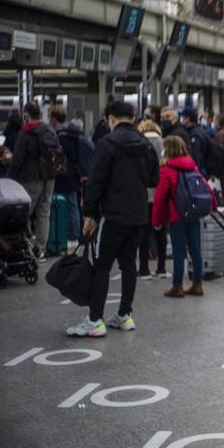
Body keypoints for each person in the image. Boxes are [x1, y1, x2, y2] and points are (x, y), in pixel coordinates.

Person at [69, 101, 159, 337]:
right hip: (139, 214)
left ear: (111, 119)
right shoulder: (146, 144)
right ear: (133, 118)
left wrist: (90, 213)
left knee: (102, 266)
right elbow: (154, 179)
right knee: (129, 265)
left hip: (113, 215)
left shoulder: (106, 144)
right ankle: (124, 315)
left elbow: (96, 181)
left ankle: (95, 320)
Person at [152, 136, 215, 298]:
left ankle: (177, 286)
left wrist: (156, 220)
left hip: (176, 215)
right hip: (193, 212)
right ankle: (197, 283)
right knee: (194, 247)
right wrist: (213, 205)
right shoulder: (191, 166)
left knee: (179, 250)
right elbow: (206, 186)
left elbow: (159, 197)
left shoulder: (166, 169)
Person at [8, 102, 59, 260]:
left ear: (26, 115)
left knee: (24, 213)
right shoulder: (50, 130)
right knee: (44, 213)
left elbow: (17, 159)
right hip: (50, 176)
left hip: (31, 177)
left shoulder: (25, 132)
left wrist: (9, 179)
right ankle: (41, 250)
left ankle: (25, 248)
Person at [50, 106, 89, 251]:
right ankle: (73, 235)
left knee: (71, 206)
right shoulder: (72, 132)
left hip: (65, 175)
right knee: (73, 206)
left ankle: (72, 236)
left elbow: (61, 156)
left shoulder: (62, 135)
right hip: (74, 174)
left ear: (54, 118)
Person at [137, 119, 168, 281]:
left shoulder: (139, 144)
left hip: (143, 193)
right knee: (161, 230)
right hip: (161, 192)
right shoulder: (164, 144)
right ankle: (161, 267)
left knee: (144, 231)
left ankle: (144, 268)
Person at [180, 107, 209, 176]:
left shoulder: (194, 135)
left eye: (183, 117)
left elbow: (195, 157)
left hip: (198, 172)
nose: (181, 119)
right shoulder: (200, 130)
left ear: (188, 118)